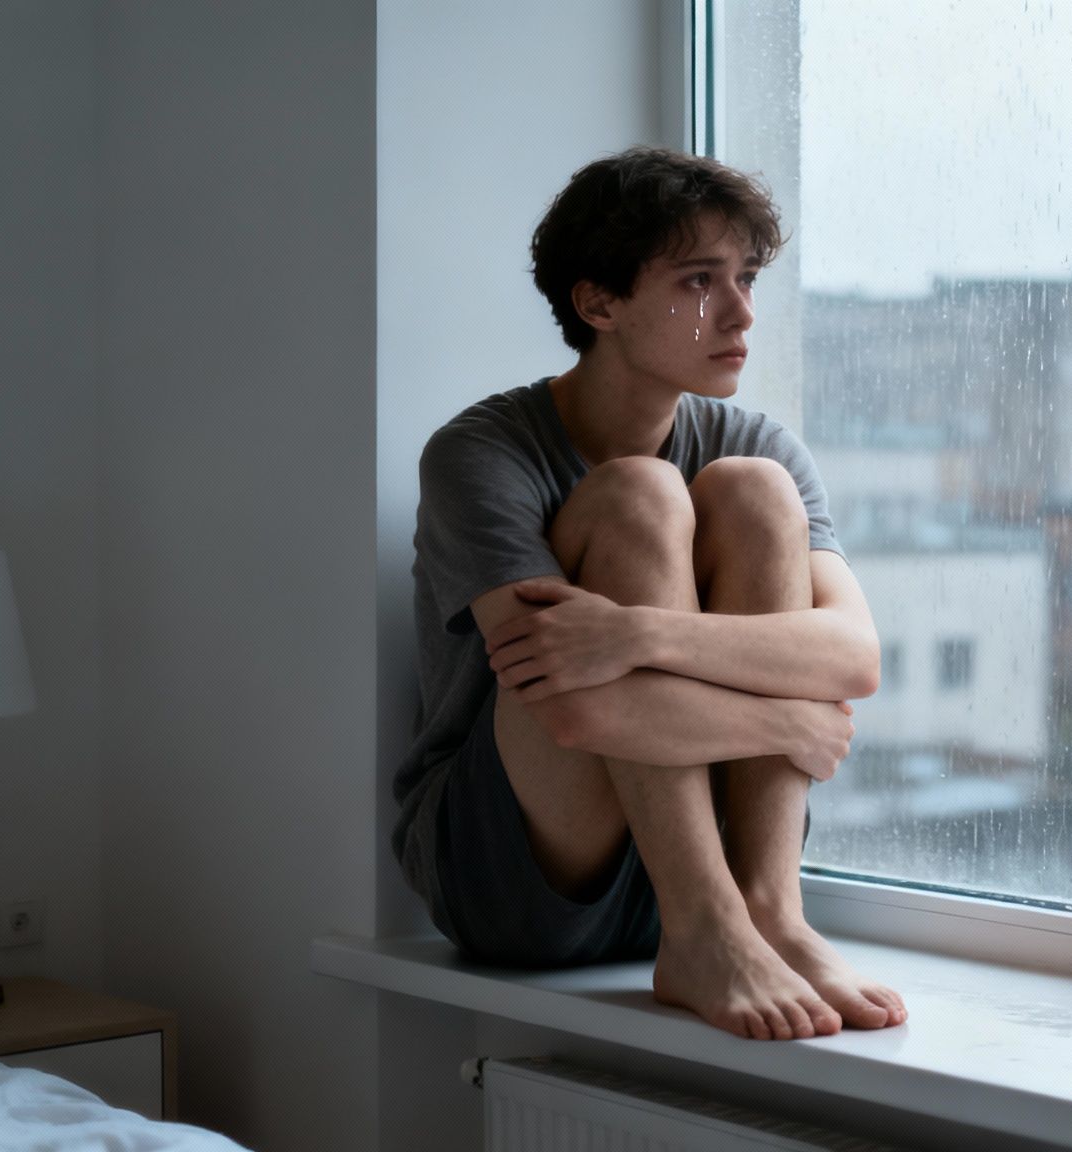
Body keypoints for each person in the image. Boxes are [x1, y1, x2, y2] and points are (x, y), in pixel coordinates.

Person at [391, 146, 907, 1042]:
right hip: (518, 880)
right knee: (640, 494)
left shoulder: (758, 442)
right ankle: (705, 927)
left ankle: (770, 913)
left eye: (745, 276)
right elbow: (577, 713)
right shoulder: (481, 454)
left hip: (697, 857)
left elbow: (853, 659)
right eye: (700, 280)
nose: (741, 310)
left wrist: (636, 634)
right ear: (599, 302)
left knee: (755, 493)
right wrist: (787, 719)